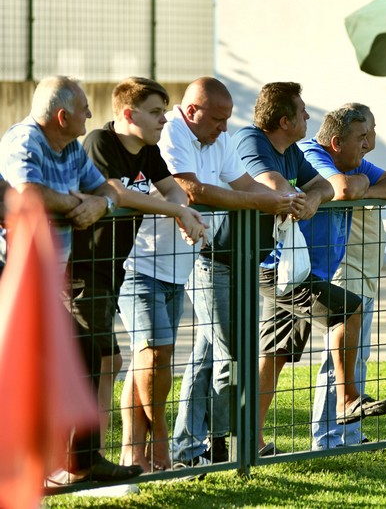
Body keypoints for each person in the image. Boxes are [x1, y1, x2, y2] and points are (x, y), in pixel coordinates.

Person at [229, 83, 386, 454]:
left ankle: (248, 443)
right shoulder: (251, 139)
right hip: (276, 267)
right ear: (285, 120)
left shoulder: (290, 151)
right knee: (349, 308)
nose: (309, 116)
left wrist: (311, 197)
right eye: (302, 112)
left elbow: (321, 186)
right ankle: (347, 399)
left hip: (289, 267)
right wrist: (296, 197)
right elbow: (273, 186)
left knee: (274, 354)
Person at [139, 77, 296, 469]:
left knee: (207, 353)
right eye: (218, 119)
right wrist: (259, 201)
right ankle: (223, 446)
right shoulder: (171, 133)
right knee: (227, 356)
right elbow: (193, 190)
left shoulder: (217, 136)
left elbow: (242, 183)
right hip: (160, 260)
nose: (225, 127)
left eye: (227, 119)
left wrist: (280, 199)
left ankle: (188, 448)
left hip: (192, 257)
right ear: (192, 111)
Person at [0, 76, 140, 485]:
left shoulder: (70, 147)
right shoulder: (23, 142)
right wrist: (77, 203)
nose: (91, 114)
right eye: (83, 108)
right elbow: (26, 192)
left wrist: (99, 203)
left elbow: (106, 189)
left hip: (48, 278)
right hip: (14, 276)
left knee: (86, 351)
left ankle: (82, 462)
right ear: (62, 116)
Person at [69, 78, 206, 473]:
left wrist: (184, 209)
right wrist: (177, 211)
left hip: (112, 271)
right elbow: (117, 192)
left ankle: (93, 458)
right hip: (81, 272)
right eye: (156, 112)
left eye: (164, 111)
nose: (165, 120)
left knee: (107, 364)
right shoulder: (100, 142)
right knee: (92, 366)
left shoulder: (147, 152)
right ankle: (81, 461)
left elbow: (172, 189)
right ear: (129, 114)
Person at [297, 103, 386, 449]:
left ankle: (345, 433)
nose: (369, 144)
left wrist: (363, 187)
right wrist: (356, 186)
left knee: (354, 352)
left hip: (336, 269)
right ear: (336, 141)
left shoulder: (352, 162)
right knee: (329, 355)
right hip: (308, 272)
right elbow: (344, 190)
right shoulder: (309, 153)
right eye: (363, 136)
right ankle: (329, 437)